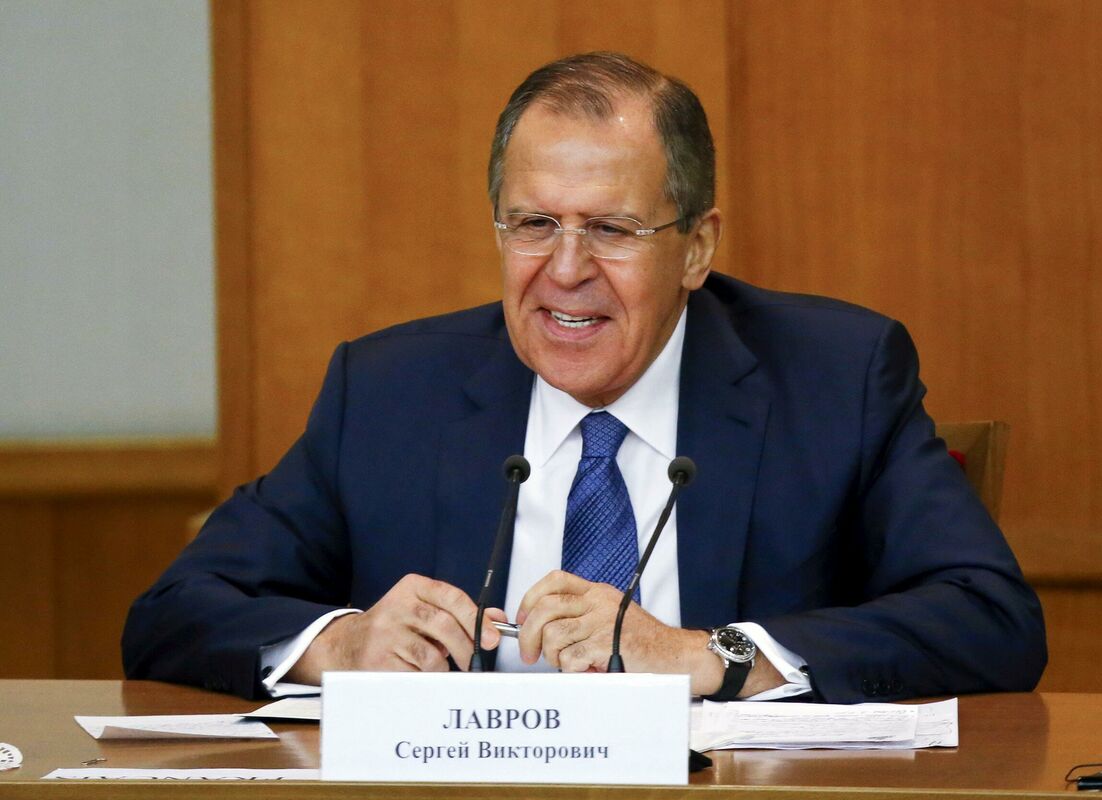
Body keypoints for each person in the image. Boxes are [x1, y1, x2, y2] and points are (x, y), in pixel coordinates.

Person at [123, 52, 1046, 703]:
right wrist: (343, 643)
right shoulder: (391, 391)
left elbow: (989, 619)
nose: (565, 272)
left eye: (611, 229)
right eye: (533, 225)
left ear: (697, 248)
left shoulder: (836, 377)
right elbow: (173, 612)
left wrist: (713, 655)